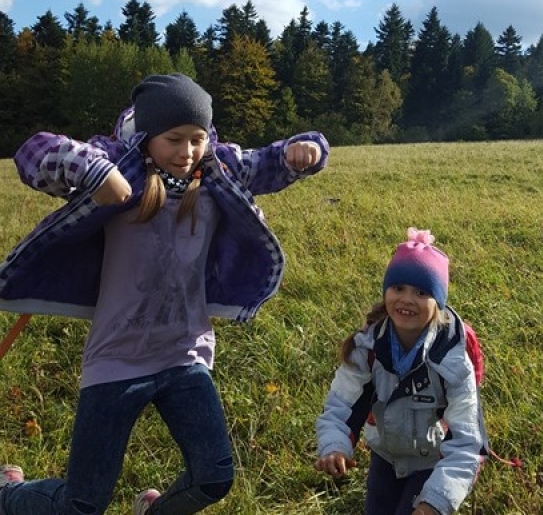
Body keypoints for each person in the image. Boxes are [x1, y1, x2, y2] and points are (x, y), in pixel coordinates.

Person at [0, 73, 329, 515]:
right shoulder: (119, 164)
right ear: (147, 135)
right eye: (174, 139)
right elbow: (34, 152)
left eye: (197, 138)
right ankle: (9, 494)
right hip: (117, 358)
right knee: (82, 505)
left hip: (185, 353)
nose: (187, 151)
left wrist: (304, 150)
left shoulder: (217, 170)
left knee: (213, 477)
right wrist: (96, 172)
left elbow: (268, 162)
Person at [314, 228, 488, 515]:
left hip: (431, 462)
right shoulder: (368, 348)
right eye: (398, 288)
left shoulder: (452, 360)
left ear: (438, 303)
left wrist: (436, 500)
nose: (407, 299)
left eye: (421, 292)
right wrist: (334, 445)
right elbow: (341, 405)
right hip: (385, 456)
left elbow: (468, 439)